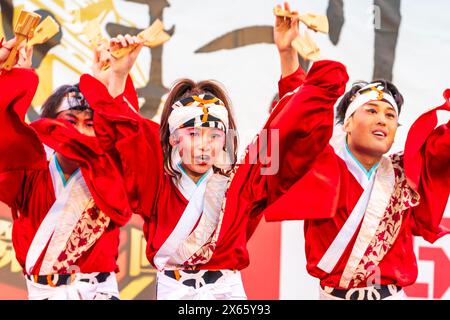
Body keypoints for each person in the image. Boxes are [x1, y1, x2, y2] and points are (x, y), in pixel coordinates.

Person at [82, 2, 348, 300]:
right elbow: (126, 139)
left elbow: (289, 127)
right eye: (193, 133)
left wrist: (288, 54)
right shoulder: (157, 180)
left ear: (226, 138)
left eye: (214, 134)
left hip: (227, 293)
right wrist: (118, 76)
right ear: (173, 139)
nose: (204, 144)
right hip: (173, 291)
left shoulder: (243, 179)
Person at [263, 3, 450, 300]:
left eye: (390, 116)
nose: (382, 120)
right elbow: (296, 122)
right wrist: (288, 55)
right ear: (347, 123)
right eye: (372, 110)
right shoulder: (320, 167)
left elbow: (445, 148)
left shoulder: (405, 174)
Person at [0, 34, 143, 299]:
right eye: (70, 120)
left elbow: (126, 134)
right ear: (49, 122)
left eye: (90, 124)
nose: (79, 131)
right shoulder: (30, 170)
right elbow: (5, 131)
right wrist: (11, 78)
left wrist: (115, 79)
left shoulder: (110, 169)